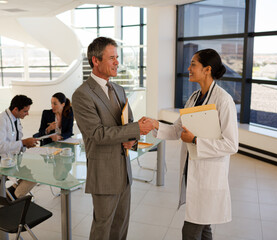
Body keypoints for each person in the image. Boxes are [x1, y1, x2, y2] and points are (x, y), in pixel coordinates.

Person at [145, 49, 238, 240]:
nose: (188, 68)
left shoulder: (223, 100)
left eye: (193, 64)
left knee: (191, 232)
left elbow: (231, 144)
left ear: (207, 69)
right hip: (192, 171)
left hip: (209, 176)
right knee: (204, 228)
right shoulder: (194, 98)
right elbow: (177, 130)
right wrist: (155, 124)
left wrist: (196, 140)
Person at [72, 36, 153, 240]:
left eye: (117, 57)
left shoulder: (118, 89)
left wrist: (132, 139)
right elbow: (97, 134)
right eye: (111, 58)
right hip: (104, 173)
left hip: (124, 171)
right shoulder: (82, 95)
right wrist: (135, 129)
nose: (117, 62)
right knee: (103, 228)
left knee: (121, 225)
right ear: (95, 60)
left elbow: (128, 124)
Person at [0, 94, 38, 199]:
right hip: (0, 162)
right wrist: (23, 143)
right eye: (25, 111)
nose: (27, 114)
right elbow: (0, 147)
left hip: (11, 158)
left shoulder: (15, 119)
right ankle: (16, 196)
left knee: (37, 168)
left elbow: (15, 141)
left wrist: (26, 145)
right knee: (35, 175)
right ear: (15, 109)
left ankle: (12, 192)